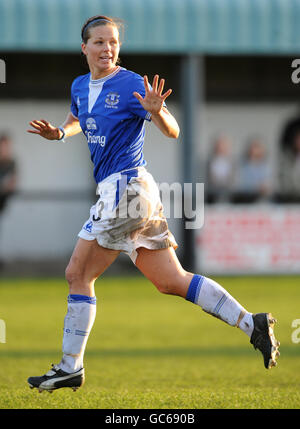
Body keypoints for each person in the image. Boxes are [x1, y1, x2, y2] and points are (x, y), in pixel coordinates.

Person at [26, 15, 280, 393]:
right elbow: (79, 116)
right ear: (85, 48)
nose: (107, 49)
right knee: (171, 282)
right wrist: (61, 131)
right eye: (99, 42)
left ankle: (70, 367)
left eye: (112, 42)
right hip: (135, 194)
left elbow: (173, 130)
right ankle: (251, 322)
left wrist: (158, 109)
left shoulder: (130, 83)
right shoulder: (80, 86)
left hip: (126, 190)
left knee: (78, 274)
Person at [206, 136, 235, 202]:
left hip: (229, 195)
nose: (221, 148)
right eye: (219, 146)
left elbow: (233, 179)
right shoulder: (209, 162)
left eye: (223, 146)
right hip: (212, 195)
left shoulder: (232, 162)